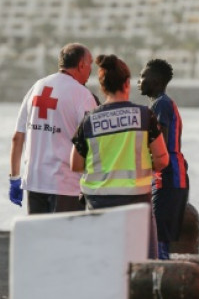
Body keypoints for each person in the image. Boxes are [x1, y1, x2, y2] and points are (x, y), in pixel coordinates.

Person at [70, 54, 169, 259]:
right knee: (140, 262)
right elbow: (162, 160)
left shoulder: (89, 120)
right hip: (136, 200)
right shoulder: (144, 116)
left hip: (97, 202)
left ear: (102, 87)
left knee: (100, 261)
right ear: (127, 83)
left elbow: (75, 164)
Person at [10, 43, 97, 214]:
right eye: (90, 64)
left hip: (34, 181)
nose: (90, 70)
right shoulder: (82, 95)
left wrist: (14, 178)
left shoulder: (37, 87)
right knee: (64, 238)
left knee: (40, 238)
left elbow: (17, 137)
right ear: (81, 65)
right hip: (66, 185)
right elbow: (94, 143)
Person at [138, 58, 188, 261]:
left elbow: (161, 145)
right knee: (159, 238)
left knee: (159, 238)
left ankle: (160, 283)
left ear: (157, 81)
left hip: (169, 178)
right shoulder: (159, 104)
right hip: (166, 177)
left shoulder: (161, 105)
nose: (138, 81)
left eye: (143, 77)